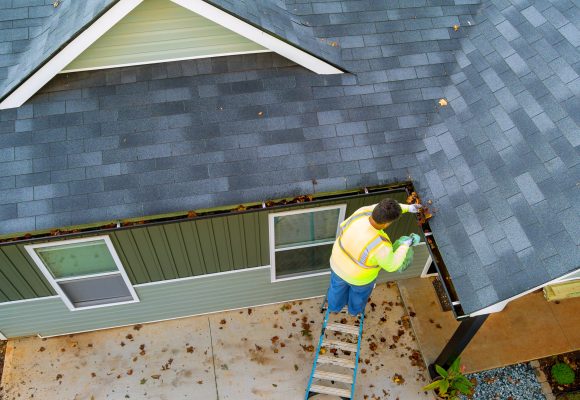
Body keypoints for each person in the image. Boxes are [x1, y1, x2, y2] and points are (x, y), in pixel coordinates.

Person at [327, 198, 422, 316]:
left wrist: (408, 208)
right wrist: (405, 245)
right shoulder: (380, 245)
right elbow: (392, 265)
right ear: (387, 223)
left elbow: (382, 208)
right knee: (358, 296)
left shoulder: (361, 212)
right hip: (360, 279)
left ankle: (334, 307)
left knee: (336, 290)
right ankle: (353, 312)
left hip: (337, 265)